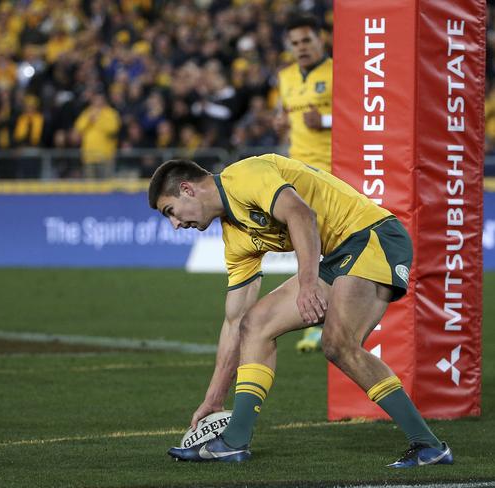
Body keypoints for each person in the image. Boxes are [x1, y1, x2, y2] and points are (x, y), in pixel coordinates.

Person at [148, 155, 452, 467]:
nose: (175, 224)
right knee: (255, 324)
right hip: (337, 256)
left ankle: (429, 446)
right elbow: (234, 320)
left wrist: (309, 283)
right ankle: (234, 441)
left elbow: (301, 213)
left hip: (372, 236)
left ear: (187, 189)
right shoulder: (235, 237)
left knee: (339, 344)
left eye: (170, 211)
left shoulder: (245, 176)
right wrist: (214, 397)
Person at [274, 13, 333, 353]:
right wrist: (282, 122)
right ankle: (318, 316)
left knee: (327, 247)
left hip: (333, 173)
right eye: (295, 43)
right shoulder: (285, 78)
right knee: (311, 247)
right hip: (299, 173)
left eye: (307, 41)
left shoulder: (340, 71)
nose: (301, 48)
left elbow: (366, 113)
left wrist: (324, 119)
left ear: (320, 40)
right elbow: (287, 116)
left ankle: (323, 320)